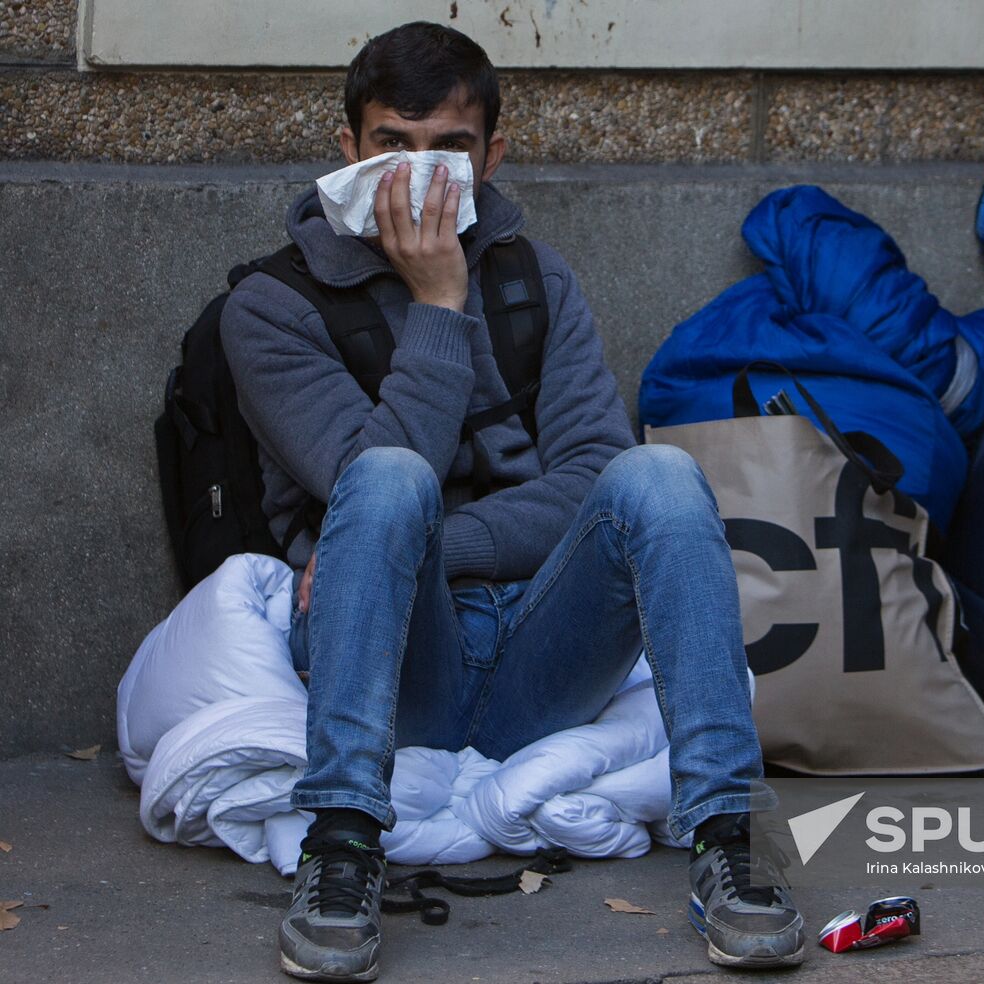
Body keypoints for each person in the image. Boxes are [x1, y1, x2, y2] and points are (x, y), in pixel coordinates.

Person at [221, 21, 804, 981]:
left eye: (448, 148)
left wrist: (425, 544)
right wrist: (439, 305)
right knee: (389, 478)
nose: (418, 175)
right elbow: (366, 486)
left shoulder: (539, 280)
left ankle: (731, 842)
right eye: (390, 147)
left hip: (543, 647)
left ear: (492, 154)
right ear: (348, 153)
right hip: (395, 652)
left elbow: (589, 475)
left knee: (658, 477)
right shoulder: (271, 307)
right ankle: (341, 845)